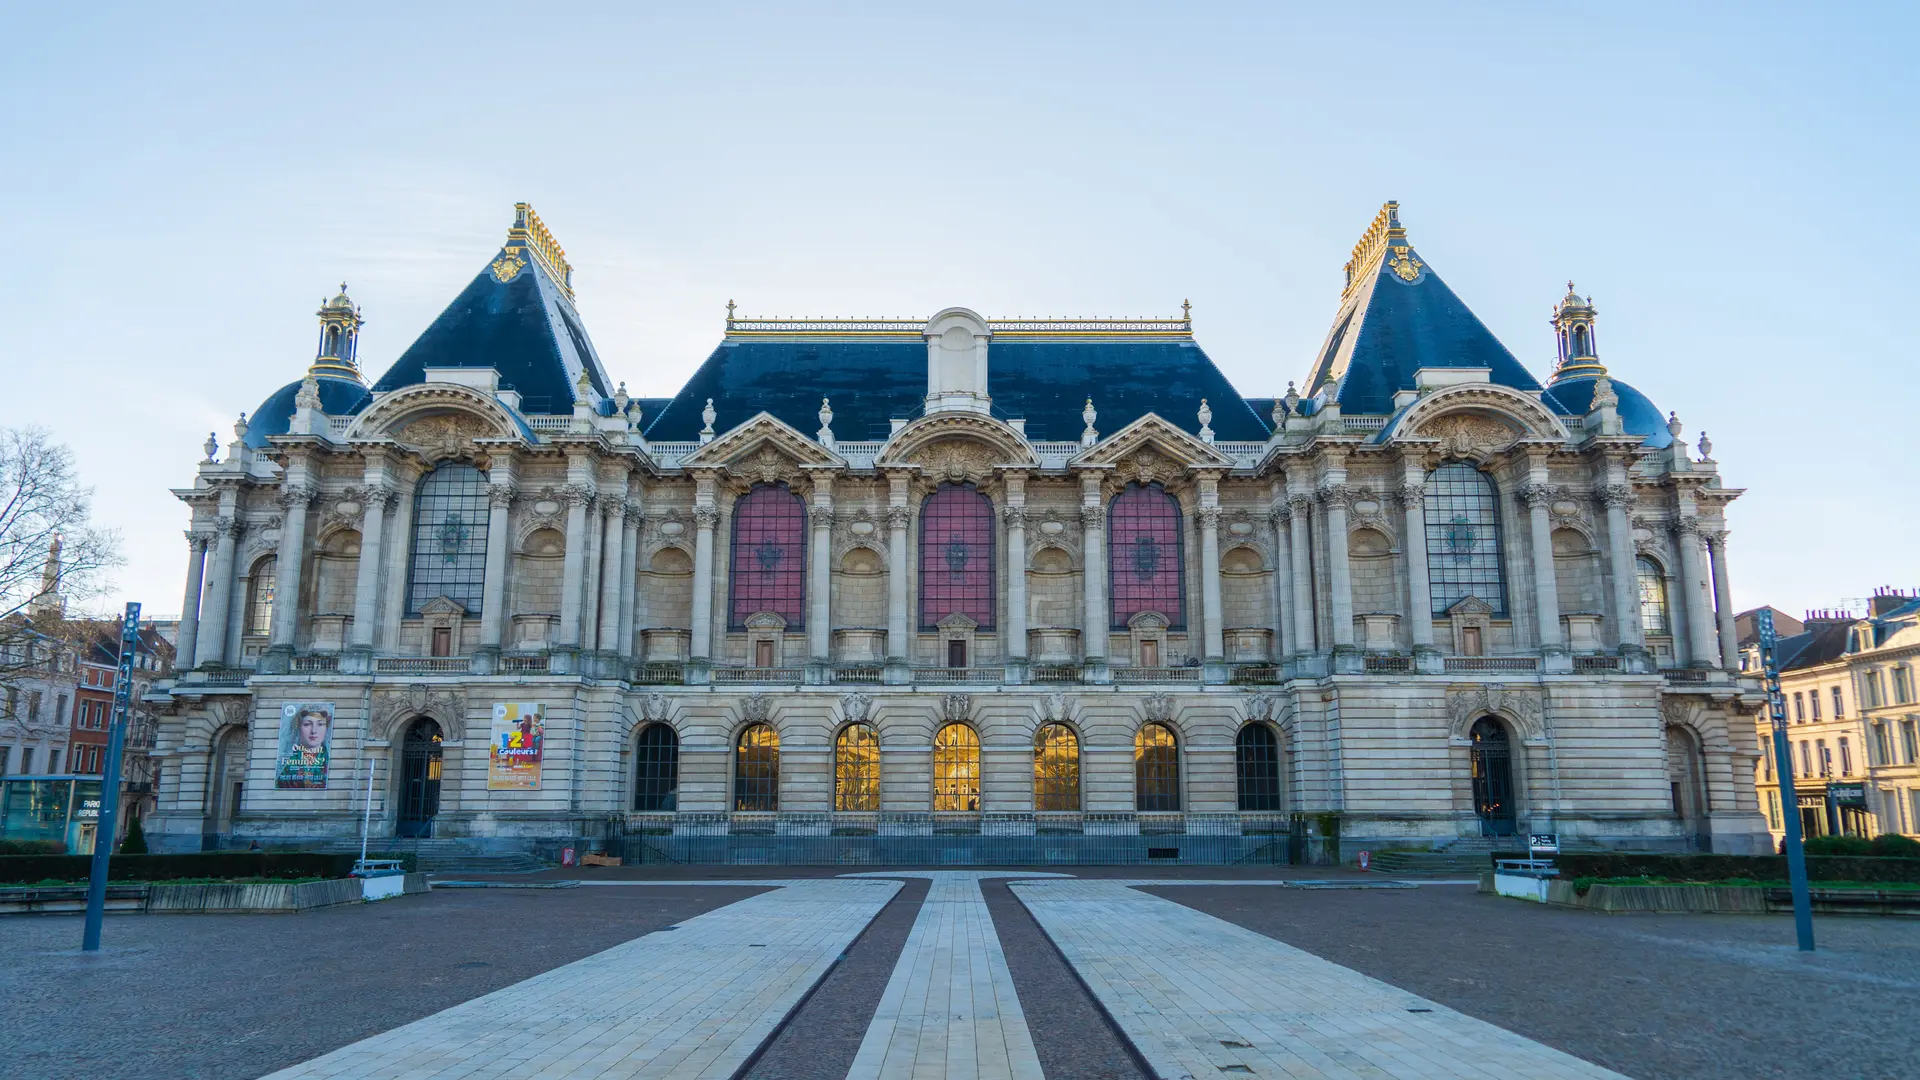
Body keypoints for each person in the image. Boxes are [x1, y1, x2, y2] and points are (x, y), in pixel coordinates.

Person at [277, 704, 331, 788]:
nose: (313, 731)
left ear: (326, 728)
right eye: (307, 724)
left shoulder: (329, 758)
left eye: (320, 724)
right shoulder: (287, 760)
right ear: (298, 727)